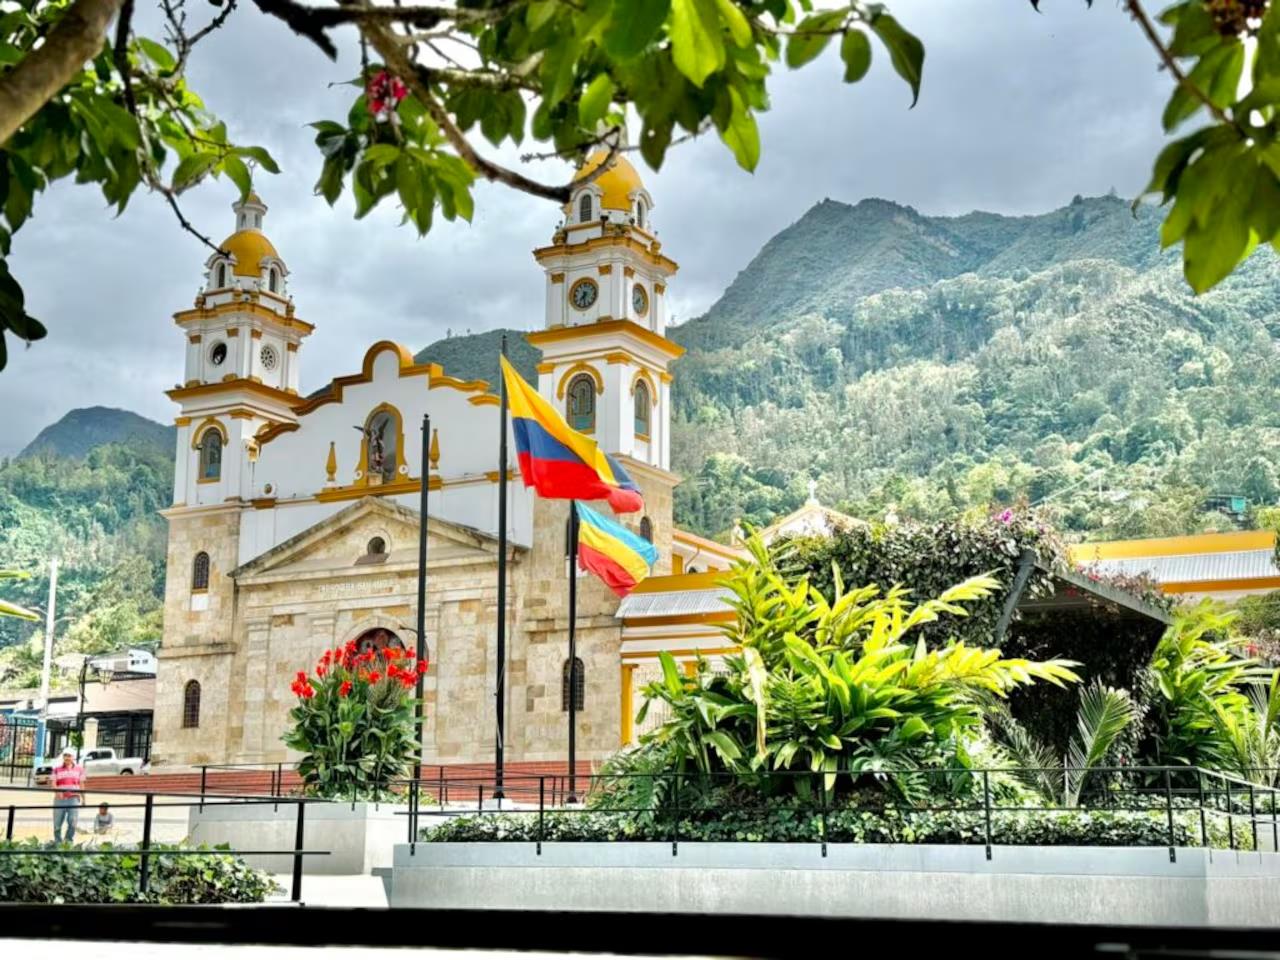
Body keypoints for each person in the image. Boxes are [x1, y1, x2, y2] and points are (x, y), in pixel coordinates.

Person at [50, 749, 85, 843]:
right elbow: (53, 784)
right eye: (65, 755)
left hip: (74, 799)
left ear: (73, 757)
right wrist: (58, 792)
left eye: (69, 756)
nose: (67, 758)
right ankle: (58, 842)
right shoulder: (56, 769)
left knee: (73, 822)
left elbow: (81, 784)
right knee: (57, 823)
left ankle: (68, 841)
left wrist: (84, 798)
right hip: (60, 799)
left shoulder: (80, 769)